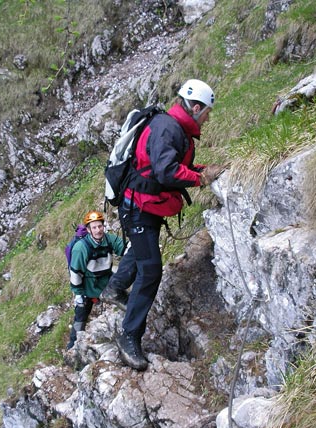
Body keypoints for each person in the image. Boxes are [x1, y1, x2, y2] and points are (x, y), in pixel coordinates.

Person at [100, 79, 227, 370]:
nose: (207, 117)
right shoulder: (168, 127)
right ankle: (129, 335)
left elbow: (164, 166)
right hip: (139, 207)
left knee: (142, 251)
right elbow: (166, 170)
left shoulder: (171, 127)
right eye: (206, 111)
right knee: (151, 269)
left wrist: (201, 170)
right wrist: (199, 178)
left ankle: (114, 288)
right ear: (195, 107)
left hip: (144, 205)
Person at [68, 210, 126, 349]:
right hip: (88, 288)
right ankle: (72, 347)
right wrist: (78, 294)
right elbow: (76, 273)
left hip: (106, 282)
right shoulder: (81, 248)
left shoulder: (109, 239)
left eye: (100, 226)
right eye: (94, 227)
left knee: (125, 303)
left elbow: (123, 247)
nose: (98, 230)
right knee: (80, 319)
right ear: (88, 230)